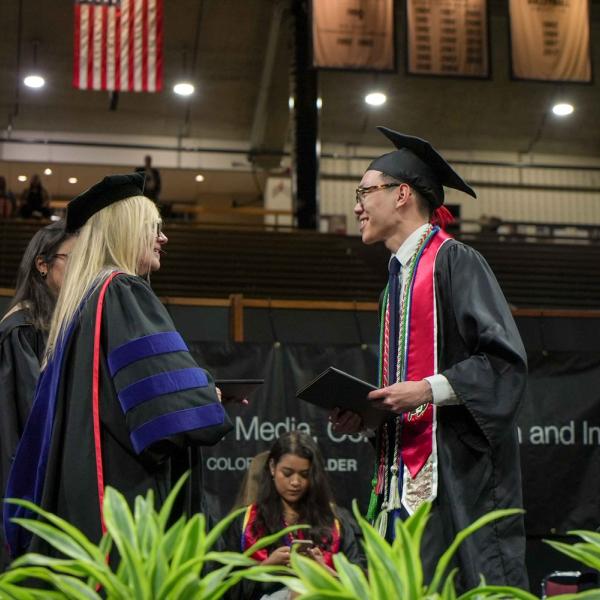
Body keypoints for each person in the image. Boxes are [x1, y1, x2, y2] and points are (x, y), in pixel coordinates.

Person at [331, 127, 528, 591]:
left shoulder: (455, 261)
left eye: (364, 192)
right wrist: (367, 417)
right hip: (402, 484)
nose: (356, 205)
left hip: (457, 479)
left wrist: (426, 389)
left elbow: (504, 363)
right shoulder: (396, 281)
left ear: (401, 194)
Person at [4, 173, 232, 559]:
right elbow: (168, 413)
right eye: (154, 228)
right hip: (126, 504)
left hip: (87, 506)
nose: (164, 238)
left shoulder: (81, 303)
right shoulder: (122, 291)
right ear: (125, 231)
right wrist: (206, 395)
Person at [0, 221, 75, 570]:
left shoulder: (59, 323)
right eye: (70, 259)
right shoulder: (22, 328)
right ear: (42, 264)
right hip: (24, 478)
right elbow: (34, 415)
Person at [224, 432, 364, 600]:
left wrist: (324, 571)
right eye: (288, 473)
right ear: (272, 467)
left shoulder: (336, 521)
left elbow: (361, 587)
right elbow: (225, 589)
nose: (296, 482)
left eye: (304, 475)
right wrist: (266, 567)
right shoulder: (246, 521)